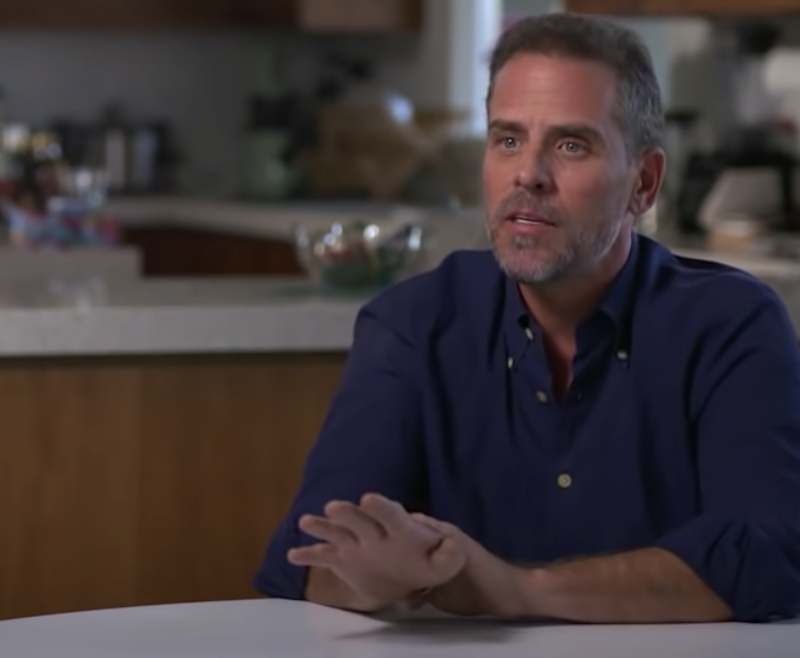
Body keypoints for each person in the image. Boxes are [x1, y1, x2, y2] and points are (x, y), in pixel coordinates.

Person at [254, 13, 800, 623]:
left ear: (643, 184)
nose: (528, 174)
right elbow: (309, 560)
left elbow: (764, 558)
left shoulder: (730, 326)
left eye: (571, 145)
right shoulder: (413, 324)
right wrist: (382, 579)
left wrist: (511, 588)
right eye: (508, 140)